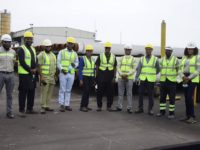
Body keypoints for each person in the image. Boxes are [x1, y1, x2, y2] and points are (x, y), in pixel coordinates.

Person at [177, 42, 200, 124]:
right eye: (189, 49)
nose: (190, 50)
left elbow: (198, 70)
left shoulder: (197, 57)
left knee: (190, 97)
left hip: (192, 79)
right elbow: (179, 68)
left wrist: (189, 78)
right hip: (184, 78)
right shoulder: (184, 57)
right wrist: (183, 76)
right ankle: (187, 116)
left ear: (194, 50)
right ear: (187, 50)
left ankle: (192, 117)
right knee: (186, 97)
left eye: (192, 49)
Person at [135, 44, 160, 115]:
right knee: (140, 94)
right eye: (147, 49)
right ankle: (140, 108)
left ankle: (150, 109)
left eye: (149, 49)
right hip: (142, 79)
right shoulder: (142, 59)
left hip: (151, 80)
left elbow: (158, 69)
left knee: (151, 95)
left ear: (151, 50)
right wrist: (137, 78)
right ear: (145, 50)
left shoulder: (155, 59)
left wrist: (153, 74)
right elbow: (139, 69)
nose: (148, 50)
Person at [17, 31, 38, 117]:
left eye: (31, 39)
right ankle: (21, 110)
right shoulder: (21, 49)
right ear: (24, 39)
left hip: (32, 74)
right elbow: (22, 62)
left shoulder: (33, 49)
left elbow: (35, 60)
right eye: (28, 39)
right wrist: (30, 70)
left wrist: (36, 68)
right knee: (23, 92)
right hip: (24, 74)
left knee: (31, 91)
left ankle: (30, 108)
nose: (29, 40)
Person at [57, 37, 79, 112]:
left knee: (68, 90)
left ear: (73, 45)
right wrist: (62, 69)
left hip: (71, 74)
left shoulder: (75, 53)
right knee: (62, 89)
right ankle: (61, 105)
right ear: (67, 44)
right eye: (69, 43)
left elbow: (77, 62)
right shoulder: (61, 52)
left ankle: (67, 105)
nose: (70, 45)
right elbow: (58, 62)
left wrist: (74, 65)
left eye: (71, 44)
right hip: (63, 73)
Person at [156, 47, 179, 119]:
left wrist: (177, 80)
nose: (167, 52)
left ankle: (171, 113)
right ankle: (162, 111)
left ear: (171, 52)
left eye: (169, 51)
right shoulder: (162, 59)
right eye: (166, 51)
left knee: (172, 98)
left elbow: (179, 70)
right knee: (162, 97)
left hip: (172, 81)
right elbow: (159, 69)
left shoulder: (175, 60)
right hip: (163, 81)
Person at [96, 42, 117, 111]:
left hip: (110, 75)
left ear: (110, 49)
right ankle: (99, 106)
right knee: (100, 91)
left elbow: (115, 67)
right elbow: (97, 66)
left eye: (108, 48)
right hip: (101, 75)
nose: (107, 49)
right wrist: (97, 76)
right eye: (106, 48)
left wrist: (114, 77)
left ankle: (109, 106)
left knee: (110, 92)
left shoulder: (113, 56)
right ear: (105, 48)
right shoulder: (101, 55)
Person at [37, 39, 57, 114]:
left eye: (49, 46)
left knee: (50, 92)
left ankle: (47, 105)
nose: (48, 48)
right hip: (44, 76)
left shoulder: (53, 55)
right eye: (47, 46)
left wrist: (55, 75)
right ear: (44, 47)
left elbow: (54, 66)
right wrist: (41, 77)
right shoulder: (41, 55)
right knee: (44, 92)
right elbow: (39, 66)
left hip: (52, 77)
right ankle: (43, 107)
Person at [116, 44, 136, 113]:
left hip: (129, 78)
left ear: (131, 50)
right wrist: (122, 74)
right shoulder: (121, 58)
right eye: (126, 49)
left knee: (129, 93)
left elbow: (134, 69)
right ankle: (119, 107)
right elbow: (118, 67)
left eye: (129, 50)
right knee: (120, 93)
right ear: (124, 50)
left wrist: (126, 75)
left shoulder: (133, 59)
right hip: (121, 77)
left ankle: (129, 108)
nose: (127, 51)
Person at [0, 34, 16, 119]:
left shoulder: (13, 52)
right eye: (6, 42)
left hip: (10, 74)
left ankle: (9, 112)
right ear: (2, 42)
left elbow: (14, 63)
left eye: (9, 42)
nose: (8, 44)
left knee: (10, 95)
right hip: (1, 74)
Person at [79, 44, 95, 112]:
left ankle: (86, 105)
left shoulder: (93, 59)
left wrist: (94, 79)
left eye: (90, 51)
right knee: (85, 91)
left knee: (88, 92)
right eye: (88, 51)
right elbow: (80, 70)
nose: (89, 52)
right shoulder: (83, 59)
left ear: (92, 52)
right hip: (85, 77)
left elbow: (93, 70)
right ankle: (82, 106)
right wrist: (80, 79)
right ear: (86, 52)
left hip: (91, 77)